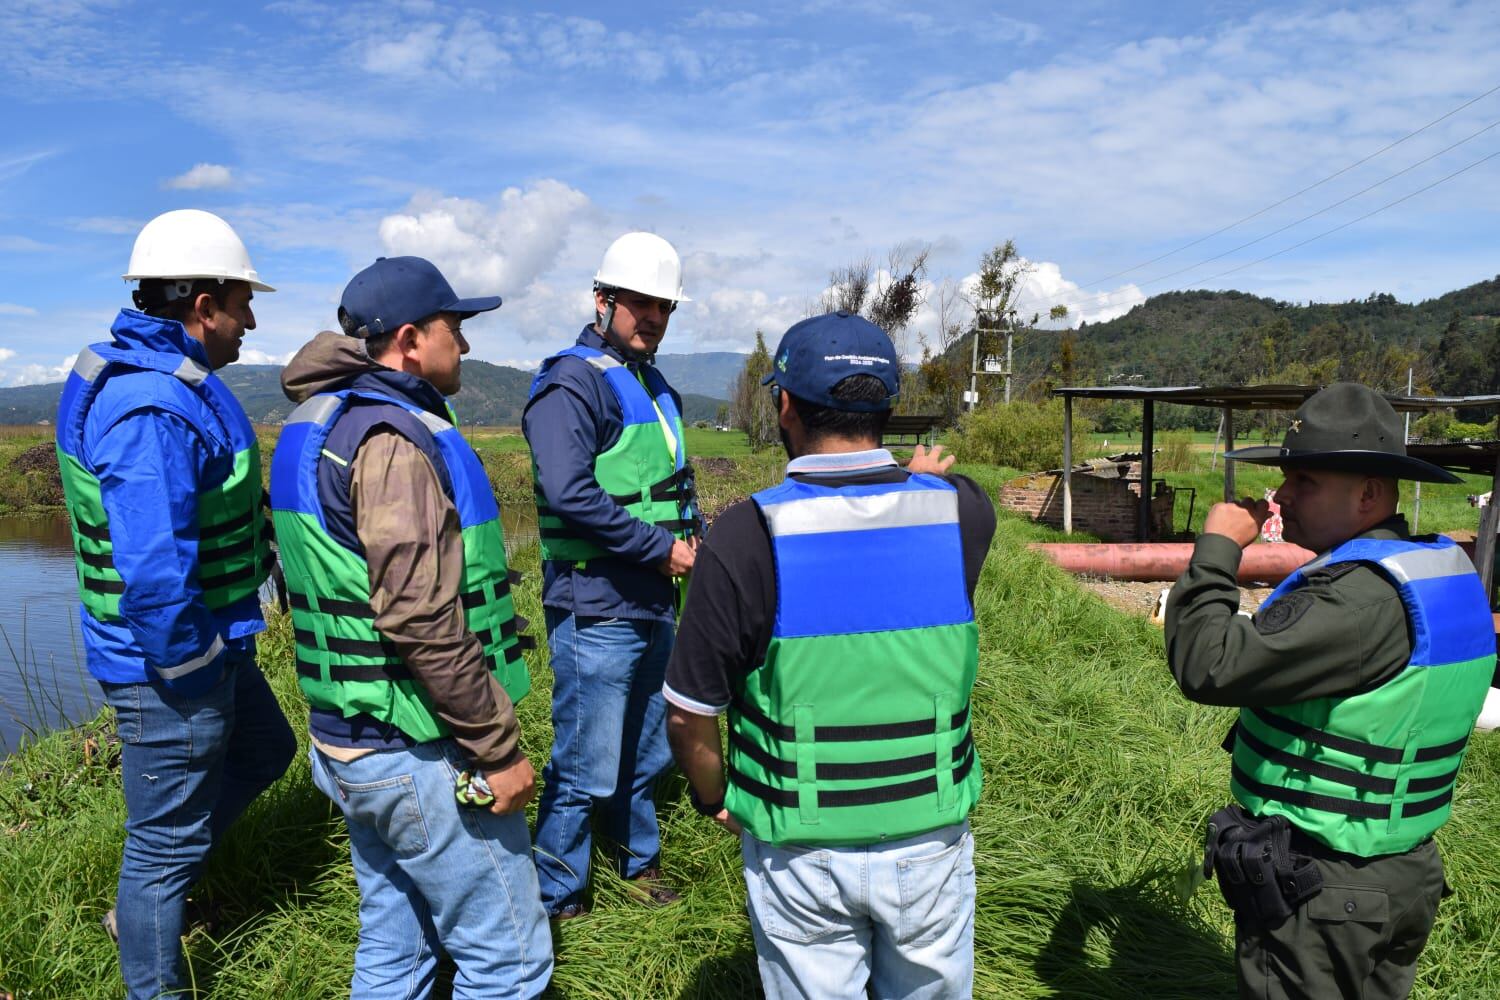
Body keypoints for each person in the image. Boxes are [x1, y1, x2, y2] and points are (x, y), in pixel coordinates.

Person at [664, 311, 997, 1000]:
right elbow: (922, 500)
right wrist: (921, 476)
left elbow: (690, 715)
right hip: (930, 839)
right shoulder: (962, 514)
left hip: (801, 847)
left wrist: (714, 798)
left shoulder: (745, 535)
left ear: (784, 404)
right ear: (887, 407)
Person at [268, 257, 551, 997]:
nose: (464, 344)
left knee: (397, 953)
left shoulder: (318, 420)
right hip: (417, 750)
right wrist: (497, 749)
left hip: (348, 742)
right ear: (408, 340)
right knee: (510, 966)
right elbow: (420, 616)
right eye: (453, 328)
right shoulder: (389, 441)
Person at [1166, 382, 1495, 1000]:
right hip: (1401, 872)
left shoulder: (1353, 599)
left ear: (1369, 493)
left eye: (1306, 481)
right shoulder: (1432, 568)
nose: (1282, 495)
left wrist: (1216, 551)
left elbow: (1206, 664)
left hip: (1325, 888)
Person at [54, 209, 296, 999]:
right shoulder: (149, 409)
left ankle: (148, 898)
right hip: (172, 666)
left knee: (265, 750)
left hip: (211, 644)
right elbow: (154, 578)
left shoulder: (170, 385)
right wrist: (194, 675)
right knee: (160, 847)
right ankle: (150, 952)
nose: (249, 322)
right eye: (241, 302)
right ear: (200, 305)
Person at [522, 231, 700, 919]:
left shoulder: (657, 389)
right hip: (596, 607)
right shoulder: (569, 383)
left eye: (664, 307)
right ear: (603, 300)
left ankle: (638, 861)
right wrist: (658, 548)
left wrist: (694, 549)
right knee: (583, 764)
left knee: (648, 749)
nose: (652, 317)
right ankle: (557, 894)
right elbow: (569, 493)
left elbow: (672, 489)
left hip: (656, 602)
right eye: (640, 303)